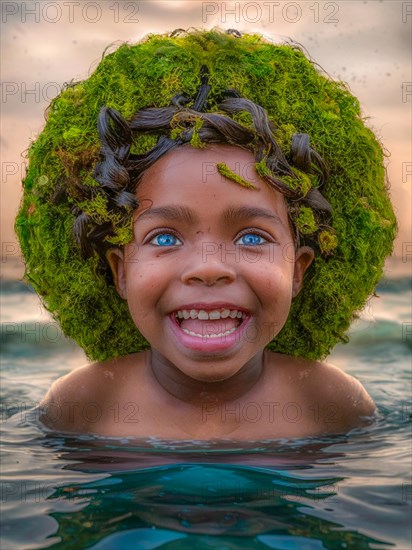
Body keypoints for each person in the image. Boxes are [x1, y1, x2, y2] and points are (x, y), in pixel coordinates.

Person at [16, 28, 397, 440]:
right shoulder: (82, 406)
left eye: (252, 237)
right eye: (165, 238)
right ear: (121, 272)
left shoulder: (332, 404)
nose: (208, 267)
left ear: (298, 270)